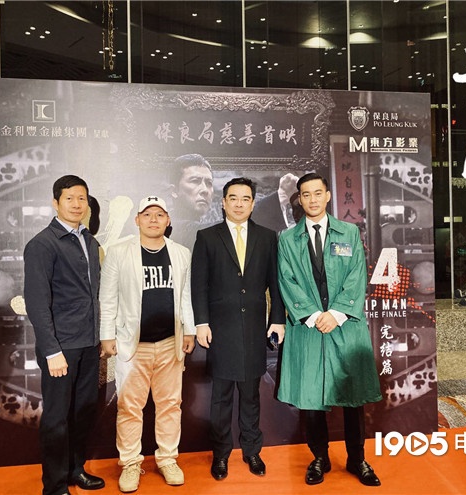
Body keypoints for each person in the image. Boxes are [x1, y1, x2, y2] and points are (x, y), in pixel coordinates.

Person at [276, 172, 382, 487]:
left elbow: (357, 275)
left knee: (353, 397)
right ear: (299, 199)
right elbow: (286, 279)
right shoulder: (287, 239)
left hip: (344, 325)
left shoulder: (348, 232)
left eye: (317, 193)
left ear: (328, 195)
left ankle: (357, 459)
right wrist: (311, 315)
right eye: (306, 194)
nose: (312, 199)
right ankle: (319, 458)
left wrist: (336, 313)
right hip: (308, 328)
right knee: (311, 399)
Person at [191, 177, 286, 481]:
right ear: (223, 202)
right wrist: (201, 322)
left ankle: (252, 450)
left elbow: (276, 284)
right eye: (233, 198)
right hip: (220, 330)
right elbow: (199, 285)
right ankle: (221, 454)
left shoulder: (267, 237)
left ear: (253, 203)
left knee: (251, 394)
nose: (239, 204)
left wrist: (277, 319)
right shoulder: (207, 237)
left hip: (255, 329)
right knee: (221, 397)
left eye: (246, 199)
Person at [100, 195, 196, 493]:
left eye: (159, 214)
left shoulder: (181, 253)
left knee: (170, 405)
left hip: (170, 343)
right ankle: (130, 463)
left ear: (168, 220)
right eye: (147, 214)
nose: (153, 220)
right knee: (130, 407)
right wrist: (107, 335)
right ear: (137, 219)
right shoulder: (119, 252)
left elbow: (185, 296)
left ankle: (167, 459)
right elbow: (107, 297)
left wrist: (189, 330)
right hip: (133, 345)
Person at [23, 175, 105, 495]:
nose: (76, 204)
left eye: (82, 198)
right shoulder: (42, 244)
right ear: (55, 203)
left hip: (89, 344)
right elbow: (36, 302)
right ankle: (55, 486)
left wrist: (100, 338)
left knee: (82, 412)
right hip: (61, 348)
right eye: (69, 198)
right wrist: (51, 350)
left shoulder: (90, 241)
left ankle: (75, 470)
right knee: (57, 418)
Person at [166, 153, 215, 247]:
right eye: (195, 181)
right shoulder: (165, 227)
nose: (205, 190)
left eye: (209, 183)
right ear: (174, 191)